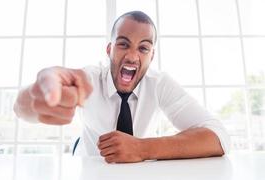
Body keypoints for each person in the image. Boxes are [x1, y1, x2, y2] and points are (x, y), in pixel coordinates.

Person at [14, 11, 230, 163]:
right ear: (109, 49)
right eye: (123, 44)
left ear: (152, 55)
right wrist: (35, 97)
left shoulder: (159, 83)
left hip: (138, 172)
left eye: (143, 48)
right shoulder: (88, 79)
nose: (133, 56)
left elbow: (219, 137)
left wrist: (142, 148)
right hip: (89, 169)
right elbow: (20, 109)